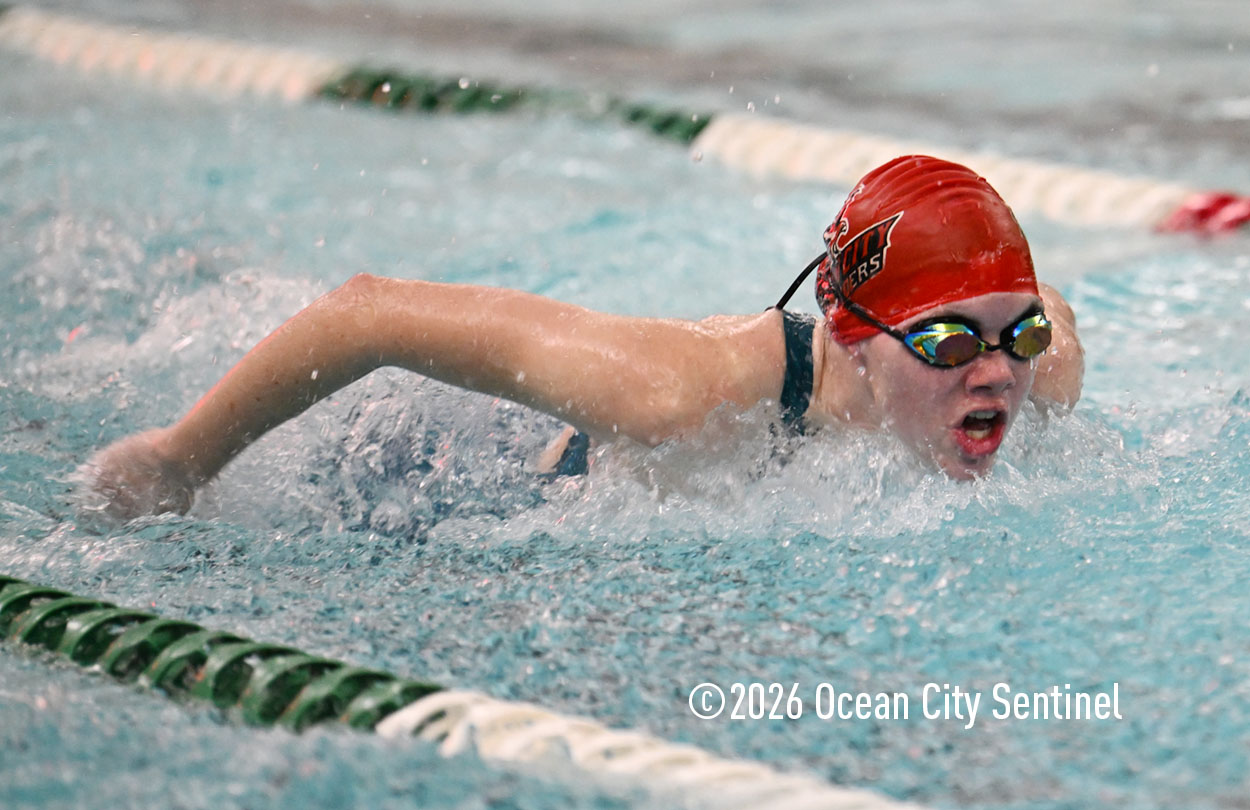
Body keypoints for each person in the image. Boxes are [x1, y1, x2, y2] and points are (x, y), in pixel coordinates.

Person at [80, 155, 1083, 523]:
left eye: (1019, 333)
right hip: (453, 469)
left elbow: (1029, 313)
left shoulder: (1037, 373)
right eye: (949, 341)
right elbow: (367, 311)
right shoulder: (684, 393)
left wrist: (1000, 318)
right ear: (852, 337)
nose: (997, 372)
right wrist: (177, 460)